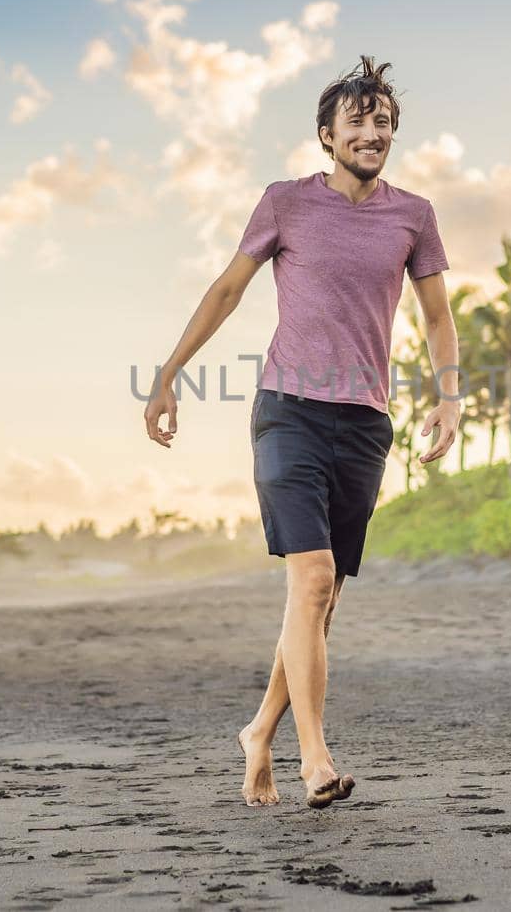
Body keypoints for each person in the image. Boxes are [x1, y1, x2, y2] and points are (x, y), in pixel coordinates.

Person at [144, 56, 460, 809]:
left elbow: (439, 316)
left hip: (365, 422)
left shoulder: (413, 215)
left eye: (383, 121)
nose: (373, 132)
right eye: (357, 120)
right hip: (288, 408)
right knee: (311, 579)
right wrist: (168, 372)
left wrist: (449, 397)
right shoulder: (286, 202)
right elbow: (227, 288)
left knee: (318, 602)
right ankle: (315, 757)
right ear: (327, 135)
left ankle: (259, 731)